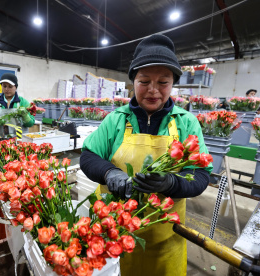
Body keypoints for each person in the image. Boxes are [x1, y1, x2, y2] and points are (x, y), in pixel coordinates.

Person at [80, 34, 212, 276]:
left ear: (173, 84)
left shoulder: (186, 123)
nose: (153, 90)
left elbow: (201, 175)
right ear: (133, 82)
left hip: (164, 238)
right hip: (113, 234)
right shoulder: (116, 120)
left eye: (163, 82)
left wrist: (173, 182)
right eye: (144, 81)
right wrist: (110, 173)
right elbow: (88, 156)